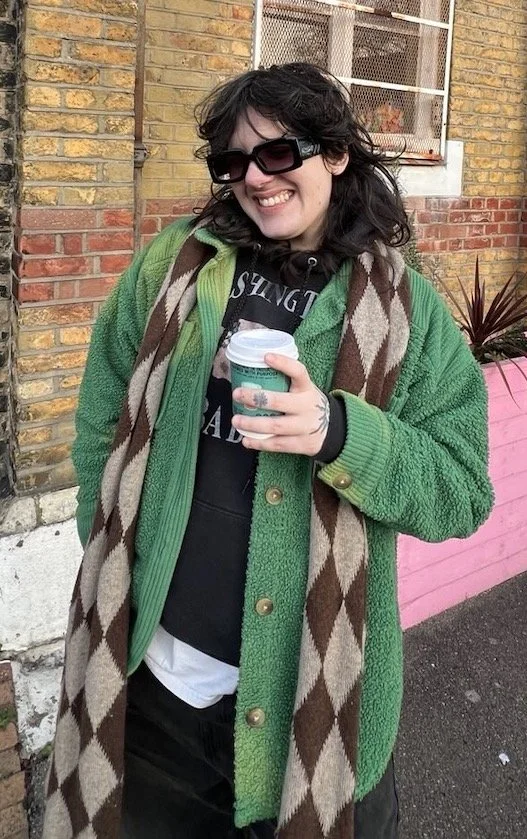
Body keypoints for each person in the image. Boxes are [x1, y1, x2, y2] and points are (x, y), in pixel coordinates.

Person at [43, 63, 493, 839]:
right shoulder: (172, 268)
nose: (254, 177)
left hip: (312, 701)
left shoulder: (404, 313)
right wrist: (108, 541)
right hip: (151, 687)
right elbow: (100, 418)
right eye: (232, 161)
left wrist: (338, 432)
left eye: (278, 153)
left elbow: (459, 490)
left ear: (337, 155)